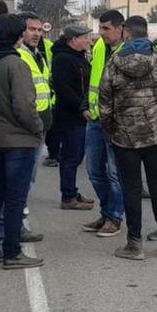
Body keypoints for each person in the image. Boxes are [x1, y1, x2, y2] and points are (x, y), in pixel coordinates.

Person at [99, 15, 157, 259]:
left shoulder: (113, 63)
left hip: (125, 139)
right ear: (146, 33)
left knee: (131, 190)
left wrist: (111, 128)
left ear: (126, 34)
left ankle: (134, 244)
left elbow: (104, 102)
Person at [0, 14, 45, 270]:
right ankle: (12, 252)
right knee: (15, 199)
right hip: (18, 141)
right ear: (18, 36)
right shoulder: (16, 65)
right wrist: (38, 128)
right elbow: (24, 106)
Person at [81, 10, 126, 238]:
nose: (101, 33)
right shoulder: (99, 48)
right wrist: (85, 106)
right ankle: (106, 212)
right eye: (100, 28)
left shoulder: (128, 52)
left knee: (114, 173)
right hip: (96, 119)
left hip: (118, 123)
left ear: (120, 28)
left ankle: (115, 217)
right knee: (94, 171)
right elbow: (92, 79)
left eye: (106, 29)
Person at [50, 24, 96, 211]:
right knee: (70, 156)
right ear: (73, 40)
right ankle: (67, 196)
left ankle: (72, 190)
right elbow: (64, 89)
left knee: (76, 156)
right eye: (85, 37)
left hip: (79, 115)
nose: (89, 40)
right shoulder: (62, 59)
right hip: (70, 116)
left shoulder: (79, 57)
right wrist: (81, 108)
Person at [16, 12, 51, 243]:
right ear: (22, 31)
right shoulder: (19, 55)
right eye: (32, 29)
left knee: (28, 178)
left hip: (39, 124)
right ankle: (17, 225)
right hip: (28, 125)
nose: (37, 34)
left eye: (40, 30)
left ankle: (17, 222)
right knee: (22, 178)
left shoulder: (38, 54)